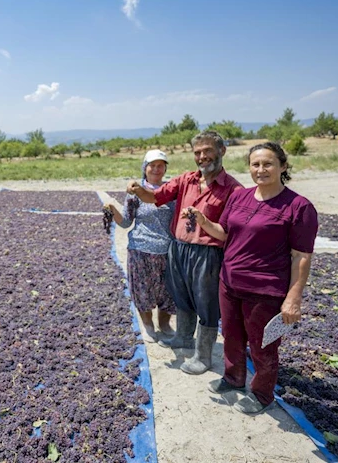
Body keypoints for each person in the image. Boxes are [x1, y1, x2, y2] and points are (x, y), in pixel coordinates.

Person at [183, 142, 318, 414]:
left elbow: (301, 256)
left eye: (268, 164)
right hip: (230, 283)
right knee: (231, 337)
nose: (261, 170)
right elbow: (224, 233)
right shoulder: (239, 197)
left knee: (262, 347)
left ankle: (262, 394)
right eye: (255, 164)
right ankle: (233, 379)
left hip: (266, 290)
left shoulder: (298, 206)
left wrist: (293, 297)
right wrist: (203, 221)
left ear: (283, 166)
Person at [127, 131, 242, 375]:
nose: (202, 157)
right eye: (197, 152)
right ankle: (183, 337)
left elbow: (232, 231)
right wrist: (137, 189)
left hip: (207, 254)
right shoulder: (186, 179)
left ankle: (203, 356)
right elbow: (155, 196)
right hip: (178, 248)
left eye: (207, 151)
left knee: (207, 304)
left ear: (222, 151)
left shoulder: (233, 189)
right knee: (182, 297)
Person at [104, 150, 176, 343]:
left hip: (167, 251)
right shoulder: (135, 192)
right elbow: (126, 222)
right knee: (143, 290)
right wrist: (112, 209)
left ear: (165, 168)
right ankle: (149, 326)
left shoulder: (171, 191)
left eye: (161, 165)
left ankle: (165, 325)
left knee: (167, 292)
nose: (156, 169)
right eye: (152, 165)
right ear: (145, 167)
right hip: (140, 249)